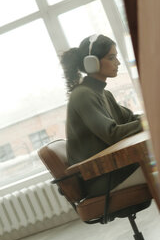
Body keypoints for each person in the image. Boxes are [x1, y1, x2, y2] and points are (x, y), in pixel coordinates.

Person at [60, 34, 146, 198]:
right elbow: (112, 134)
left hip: (114, 171)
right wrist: (150, 122)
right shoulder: (83, 95)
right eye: (112, 57)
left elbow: (131, 120)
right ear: (91, 63)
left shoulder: (103, 94)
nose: (118, 63)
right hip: (102, 180)